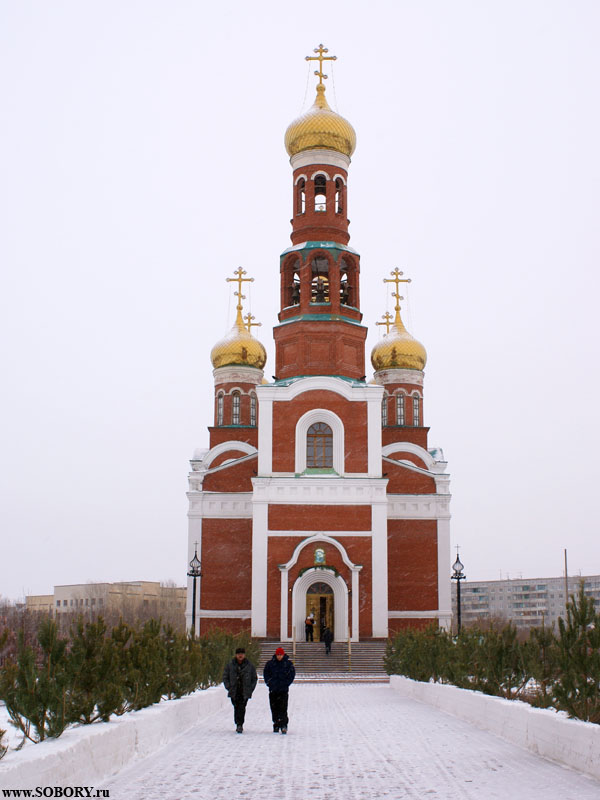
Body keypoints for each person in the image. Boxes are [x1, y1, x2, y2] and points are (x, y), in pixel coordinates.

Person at [222, 646, 257, 733]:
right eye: (238, 654)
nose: (240, 656)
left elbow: (254, 678)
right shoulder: (230, 665)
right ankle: (238, 722)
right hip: (234, 690)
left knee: (242, 707)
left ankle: (239, 724)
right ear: (236, 655)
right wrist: (229, 687)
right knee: (236, 707)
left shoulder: (249, 665)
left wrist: (250, 689)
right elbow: (225, 677)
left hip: (244, 690)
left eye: (242, 654)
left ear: (244, 655)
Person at [263, 646, 295, 734]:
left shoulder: (288, 664)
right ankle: (276, 723)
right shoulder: (270, 664)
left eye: (281, 655)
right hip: (273, 690)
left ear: (283, 655)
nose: (279, 656)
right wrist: (269, 683)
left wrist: (286, 683)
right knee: (274, 708)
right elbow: (266, 674)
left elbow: (291, 675)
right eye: (278, 655)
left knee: (283, 708)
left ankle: (284, 724)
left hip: (283, 690)